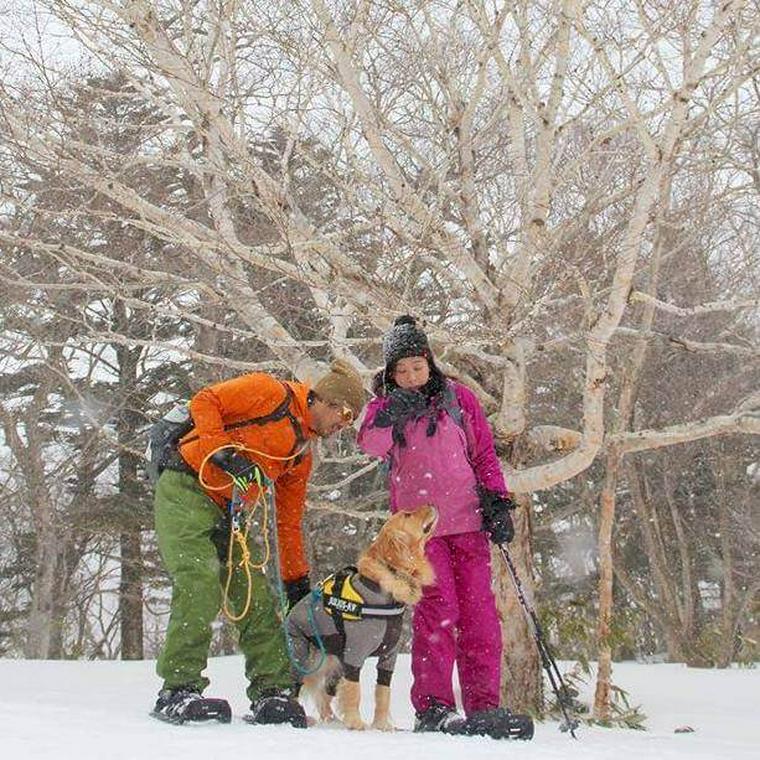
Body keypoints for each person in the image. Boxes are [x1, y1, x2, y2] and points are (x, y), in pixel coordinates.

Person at [152, 359, 365, 726]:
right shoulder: (270, 393)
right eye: (343, 416)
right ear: (326, 401)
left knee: (257, 600)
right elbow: (206, 401)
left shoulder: (300, 455)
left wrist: (295, 581)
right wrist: (223, 453)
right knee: (199, 582)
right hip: (186, 486)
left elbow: (287, 521)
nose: (341, 426)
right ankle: (179, 687)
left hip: (231, 511)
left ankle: (273, 691)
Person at [357, 316, 527, 739]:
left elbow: (484, 454)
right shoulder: (385, 409)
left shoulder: (458, 398)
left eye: (417, 366)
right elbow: (370, 445)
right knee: (439, 613)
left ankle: (484, 706)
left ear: (429, 362)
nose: (412, 377)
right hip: (420, 534)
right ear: (391, 373)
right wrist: (390, 412)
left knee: (480, 617)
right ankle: (433, 707)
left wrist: (497, 501)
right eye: (402, 370)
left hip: (469, 523)